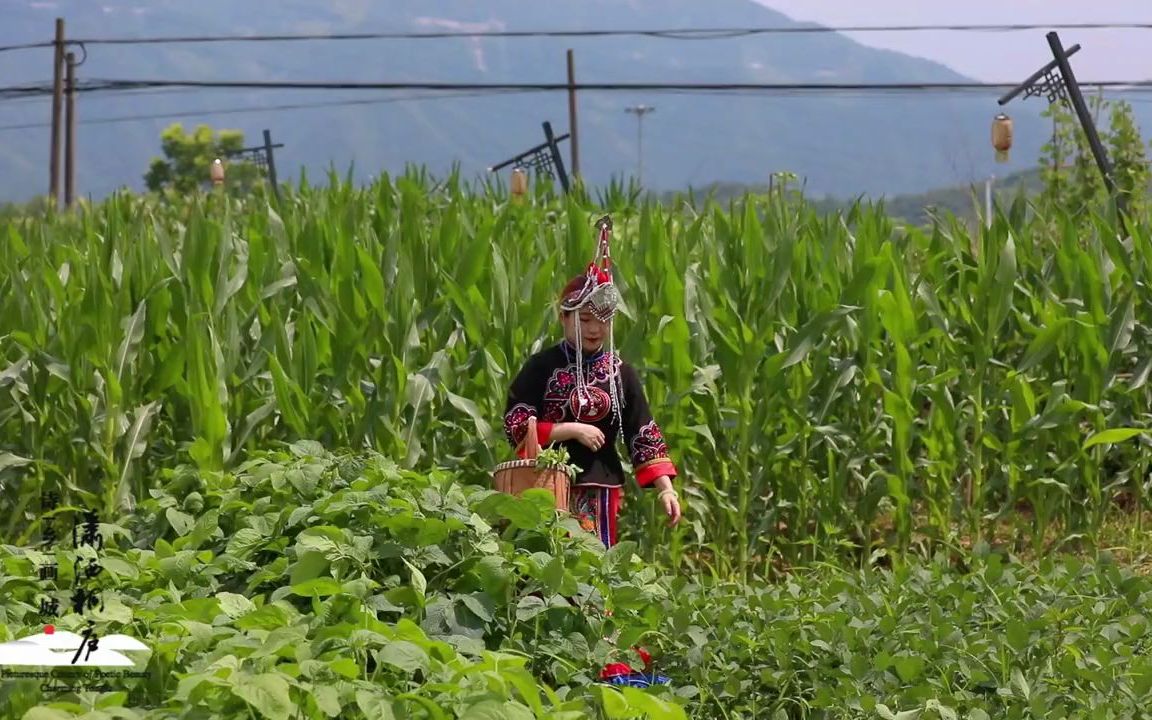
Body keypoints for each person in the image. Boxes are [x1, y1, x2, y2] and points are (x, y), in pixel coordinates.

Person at [502, 215, 682, 548]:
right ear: (564, 317)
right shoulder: (542, 367)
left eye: (603, 320)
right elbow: (515, 424)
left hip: (599, 487)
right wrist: (568, 430)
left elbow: (644, 433)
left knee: (592, 571)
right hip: (543, 484)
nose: (595, 329)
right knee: (543, 568)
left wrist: (666, 489)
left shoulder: (620, 373)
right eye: (585, 319)